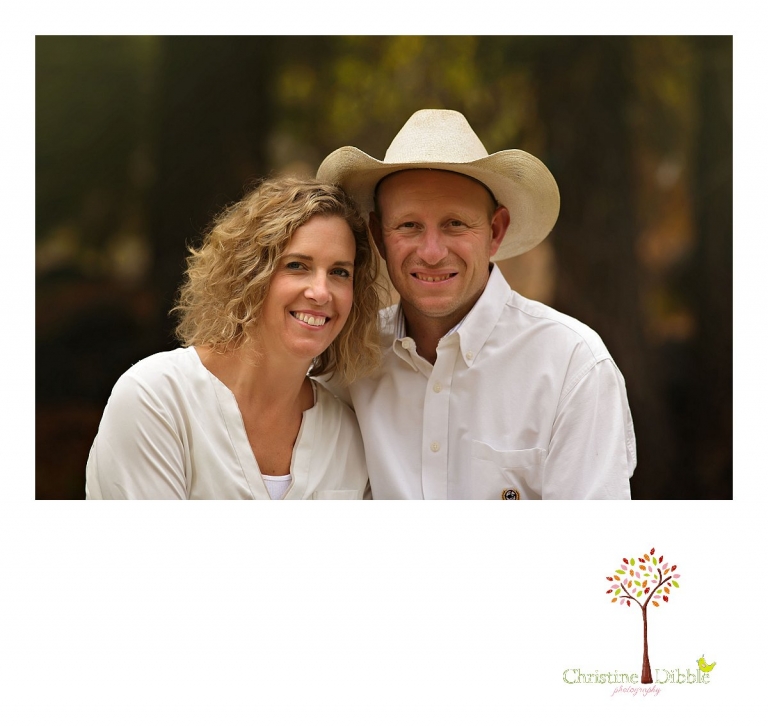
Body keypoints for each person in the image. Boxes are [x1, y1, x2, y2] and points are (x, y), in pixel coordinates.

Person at [317, 109, 636, 499]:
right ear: (379, 238)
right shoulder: (346, 361)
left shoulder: (573, 366)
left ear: (495, 232)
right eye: (408, 226)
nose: (432, 253)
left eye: (455, 224)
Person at [85, 177, 382, 499]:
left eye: (340, 272)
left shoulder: (348, 436)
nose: (321, 293)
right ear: (249, 274)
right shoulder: (157, 398)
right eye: (297, 265)